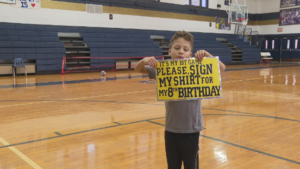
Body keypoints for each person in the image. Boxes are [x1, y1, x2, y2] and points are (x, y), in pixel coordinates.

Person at [134, 30, 226, 169]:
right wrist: (144, 60)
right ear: (170, 51)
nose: (181, 51)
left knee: (191, 166)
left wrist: (207, 56)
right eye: (177, 48)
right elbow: (137, 69)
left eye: (185, 49)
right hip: (171, 129)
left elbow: (222, 68)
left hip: (191, 129)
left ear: (190, 53)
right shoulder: (163, 69)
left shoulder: (197, 66)